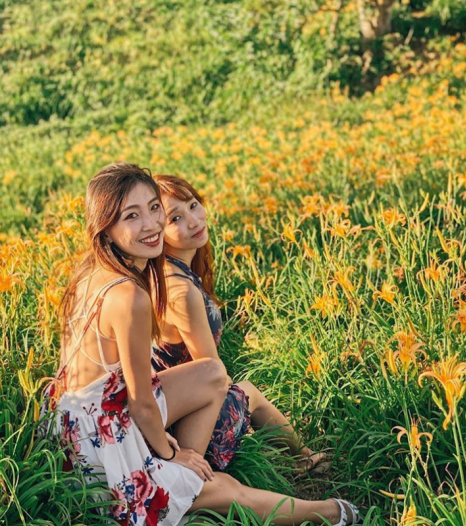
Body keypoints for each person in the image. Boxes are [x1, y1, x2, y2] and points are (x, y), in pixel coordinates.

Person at [43, 163, 358, 526]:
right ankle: (332, 514)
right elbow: (141, 403)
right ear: (106, 229)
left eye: (154, 207)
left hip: (76, 419)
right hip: (103, 440)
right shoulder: (130, 295)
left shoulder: (92, 272)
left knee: (212, 373)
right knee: (222, 488)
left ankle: (192, 473)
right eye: (132, 215)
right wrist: (169, 454)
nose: (151, 224)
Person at [151, 174, 328, 475]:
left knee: (245, 392)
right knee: (248, 394)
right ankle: (305, 458)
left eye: (193, 205)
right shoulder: (180, 291)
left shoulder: (166, 273)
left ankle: (303, 456)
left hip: (169, 406)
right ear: (157, 232)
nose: (194, 221)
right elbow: (212, 373)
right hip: (180, 426)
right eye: (176, 218)